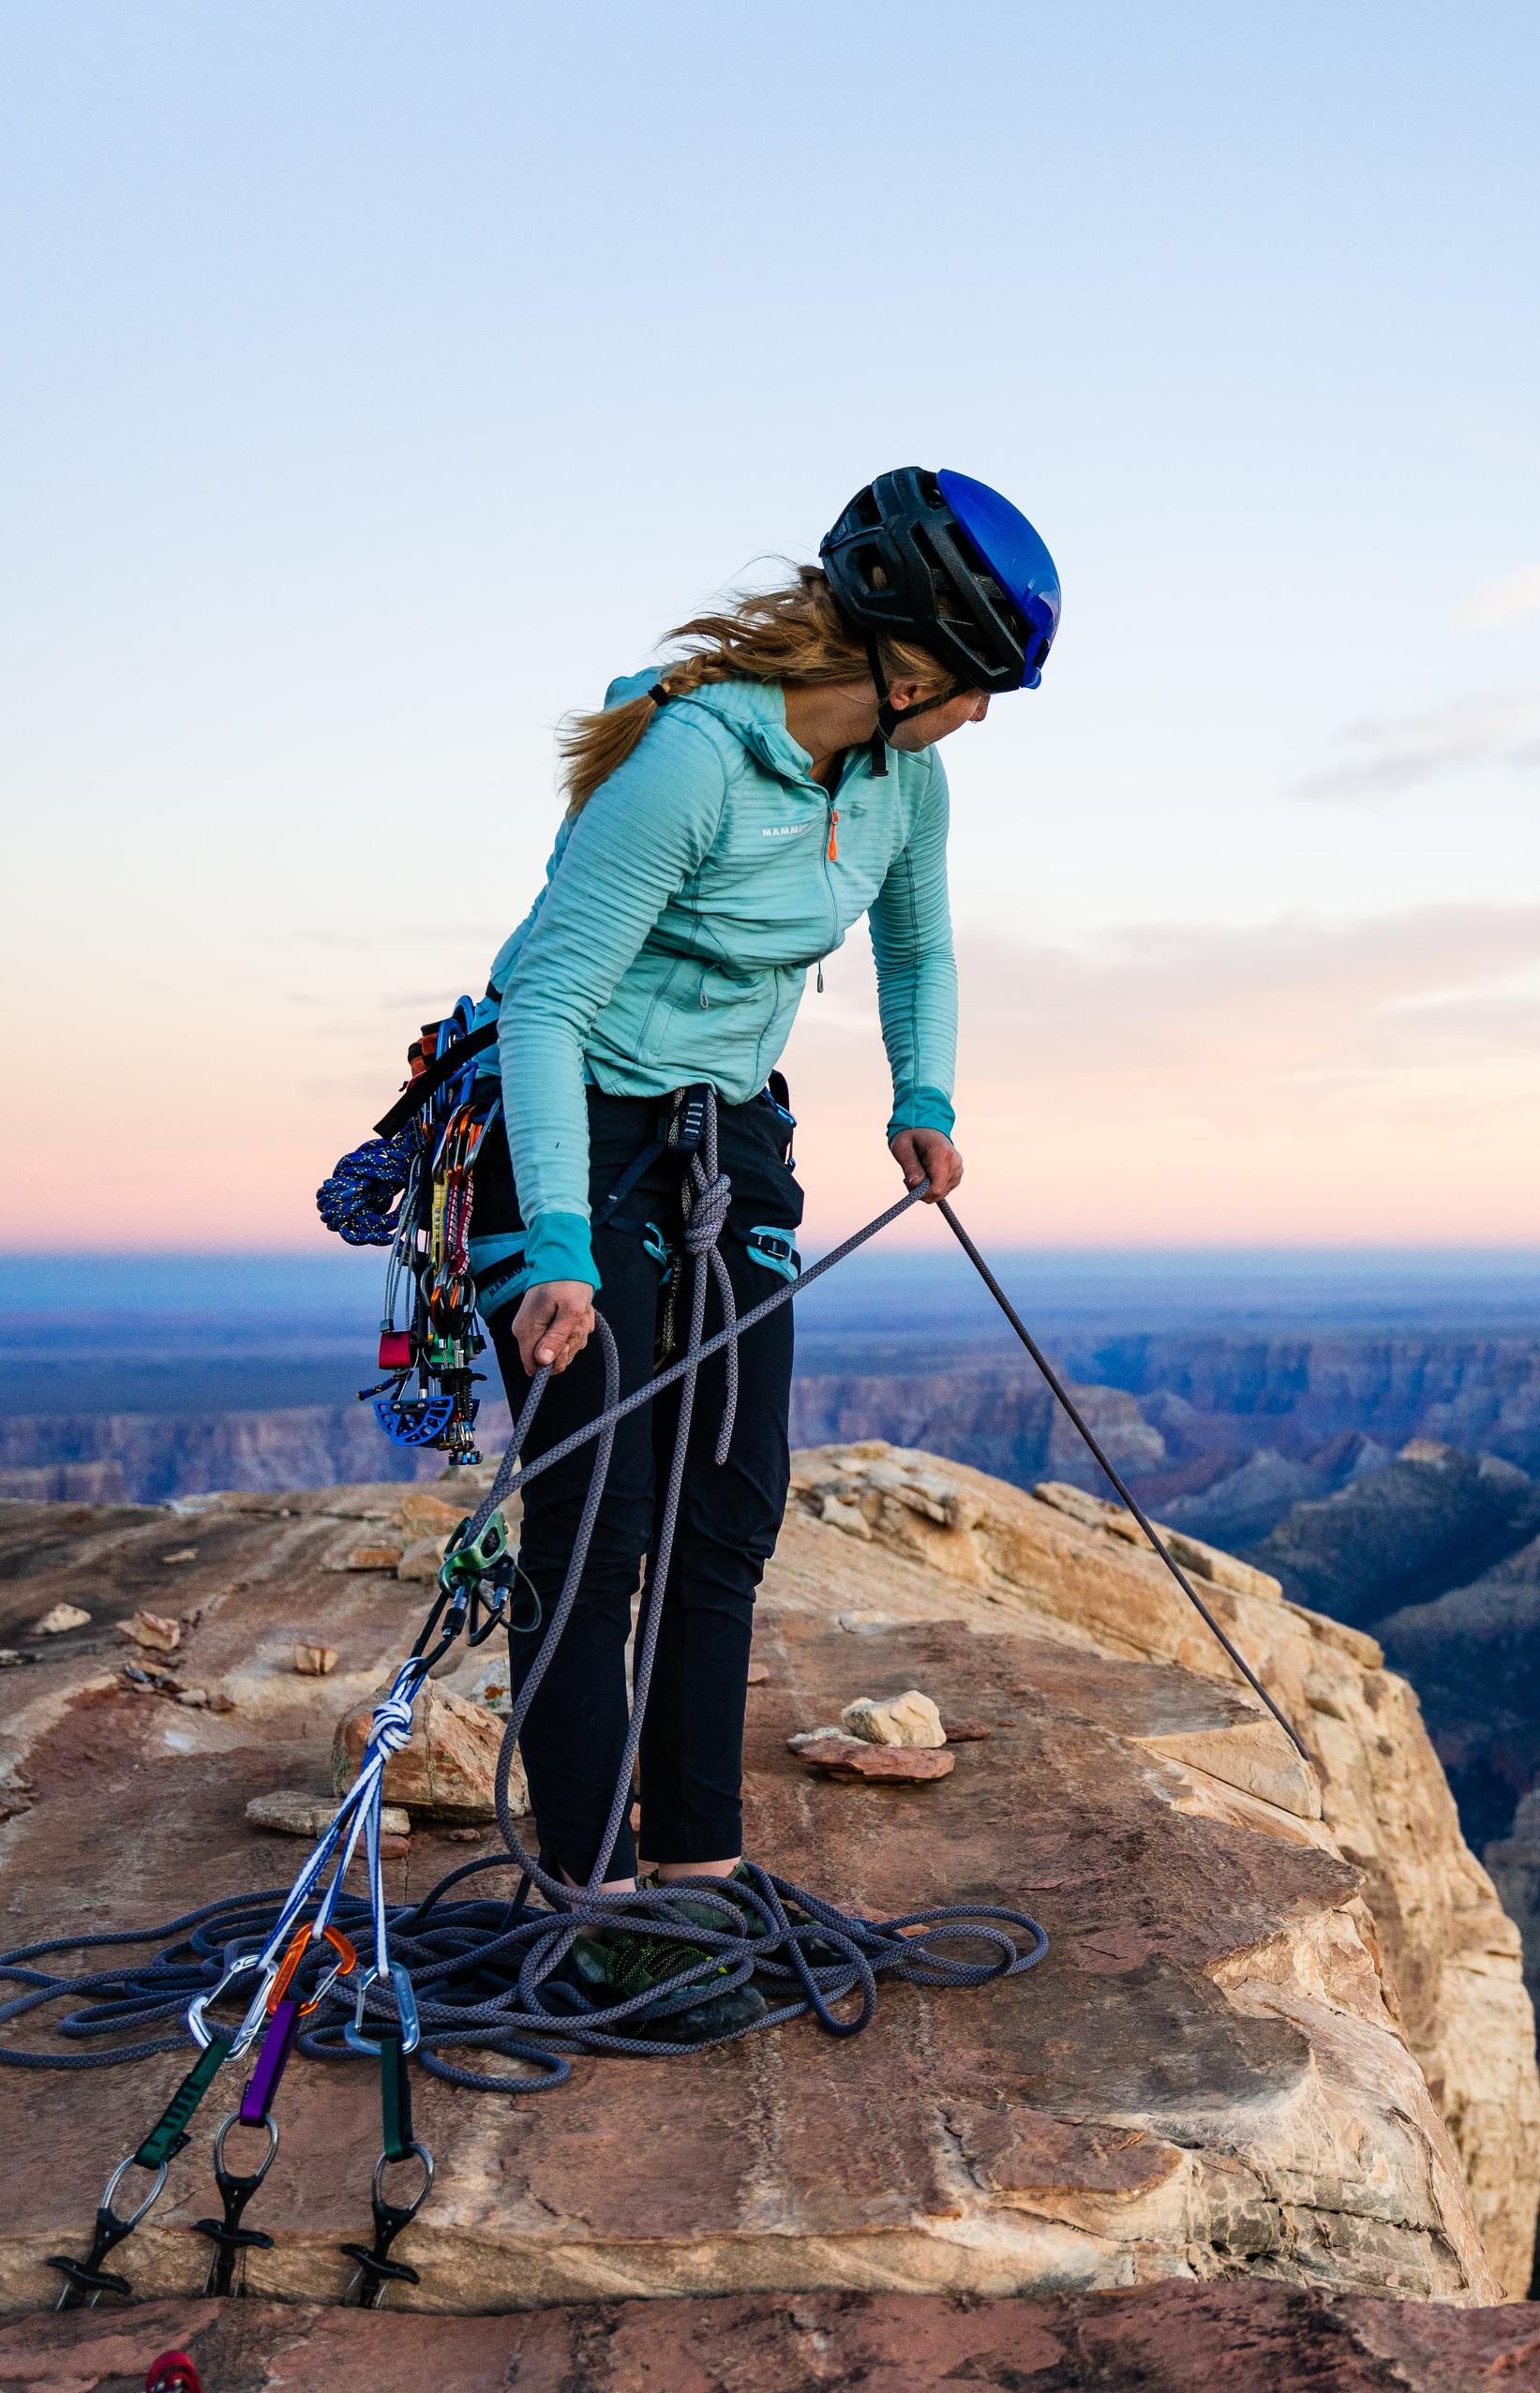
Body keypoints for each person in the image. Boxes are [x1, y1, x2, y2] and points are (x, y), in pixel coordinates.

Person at [468, 469, 1059, 2035]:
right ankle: (588, 1898)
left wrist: (921, 1093)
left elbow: (917, 942)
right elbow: (548, 1005)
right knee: (597, 1522)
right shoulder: (687, 763)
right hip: (574, 1133)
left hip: (731, 1140)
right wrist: (554, 1249)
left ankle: (699, 1875)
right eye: (980, 694)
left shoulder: (898, 782)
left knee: (726, 1507)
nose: (982, 724)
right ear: (911, 665)